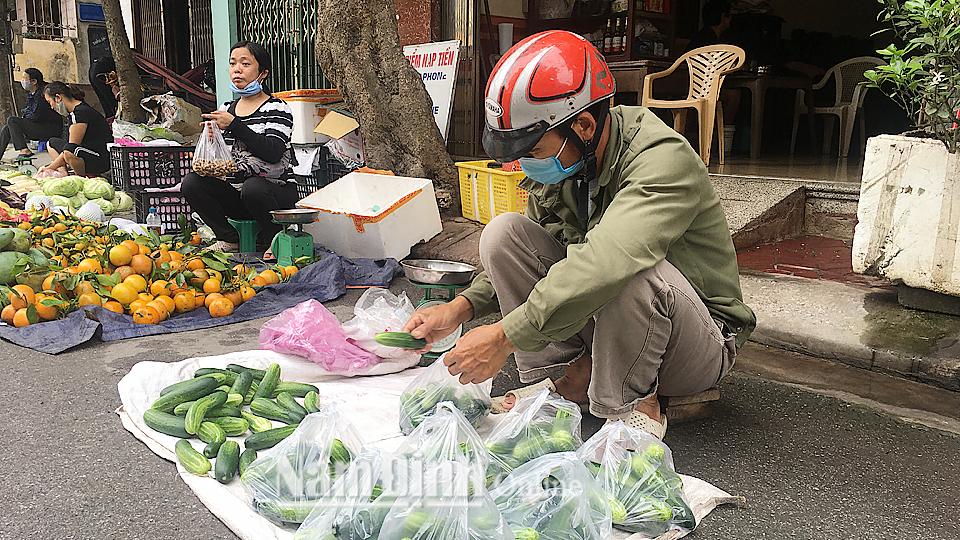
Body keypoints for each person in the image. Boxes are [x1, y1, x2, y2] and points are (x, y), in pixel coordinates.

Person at [403, 31, 756, 440]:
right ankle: (565, 380)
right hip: (616, 321)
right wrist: (460, 309)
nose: (524, 163)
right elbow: (533, 253)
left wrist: (503, 337)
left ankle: (629, 407)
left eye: (532, 151)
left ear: (584, 125)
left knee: (626, 269)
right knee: (504, 235)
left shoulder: (662, 160)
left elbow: (608, 262)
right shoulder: (570, 162)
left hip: (696, 345)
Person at [181, 41, 298, 253]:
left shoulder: (277, 107)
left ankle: (274, 239)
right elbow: (223, 159)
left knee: (253, 187)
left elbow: (272, 152)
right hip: (237, 195)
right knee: (192, 182)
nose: (237, 69)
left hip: (273, 193)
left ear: (262, 73)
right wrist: (211, 139)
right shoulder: (226, 108)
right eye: (233, 63)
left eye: (245, 64)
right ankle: (228, 238)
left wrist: (234, 125)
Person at [38, 82, 111, 176]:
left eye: (50, 102)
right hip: (86, 151)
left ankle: (81, 178)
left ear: (58, 98)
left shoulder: (80, 113)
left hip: (100, 158)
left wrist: (49, 168)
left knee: (70, 151)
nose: (51, 107)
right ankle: (63, 173)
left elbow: (71, 147)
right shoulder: (73, 113)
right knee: (51, 143)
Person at [0, 68, 63, 159]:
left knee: (12, 120)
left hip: (49, 128)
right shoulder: (32, 93)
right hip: (39, 125)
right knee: (7, 128)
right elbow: (28, 111)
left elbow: (37, 115)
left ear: (34, 81)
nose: (22, 81)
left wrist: (22, 121)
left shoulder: (42, 94)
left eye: (24, 78)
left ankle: (24, 150)